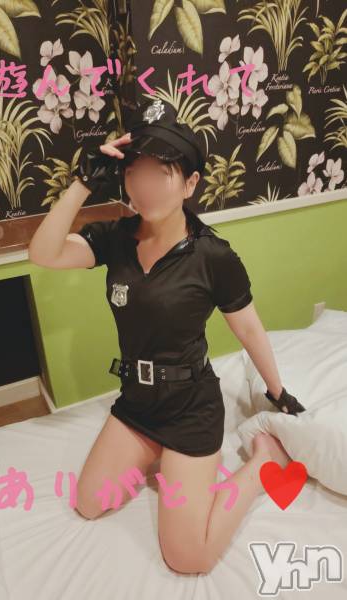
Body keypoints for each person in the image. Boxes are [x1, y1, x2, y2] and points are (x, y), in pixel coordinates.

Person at [28, 98, 306, 576]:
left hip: (189, 409)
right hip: (137, 404)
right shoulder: (115, 238)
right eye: (135, 173)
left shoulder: (213, 256)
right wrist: (82, 182)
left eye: (161, 173)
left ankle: (261, 467)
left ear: (190, 183)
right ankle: (156, 457)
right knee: (89, 503)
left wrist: (277, 391)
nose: (146, 186)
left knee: (188, 557)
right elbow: (43, 253)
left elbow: (248, 328)